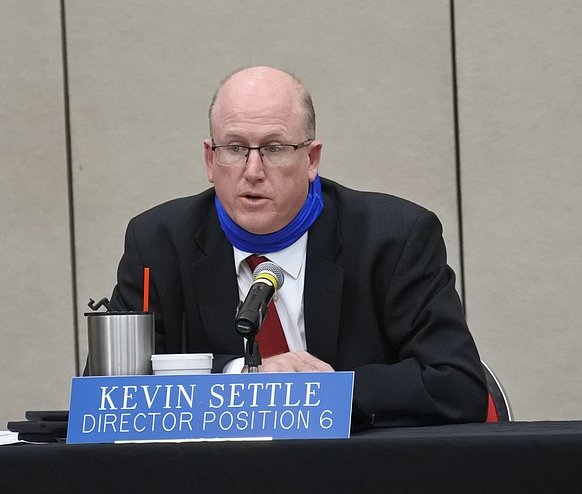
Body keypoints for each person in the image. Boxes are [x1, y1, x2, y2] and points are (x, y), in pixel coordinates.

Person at [109, 66, 488, 427]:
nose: (253, 170)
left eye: (274, 148)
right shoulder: (158, 244)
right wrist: (241, 376)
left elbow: (455, 384)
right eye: (236, 148)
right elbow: (109, 393)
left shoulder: (394, 238)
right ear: (210, 160)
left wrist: (318, 393)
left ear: (311, 159)